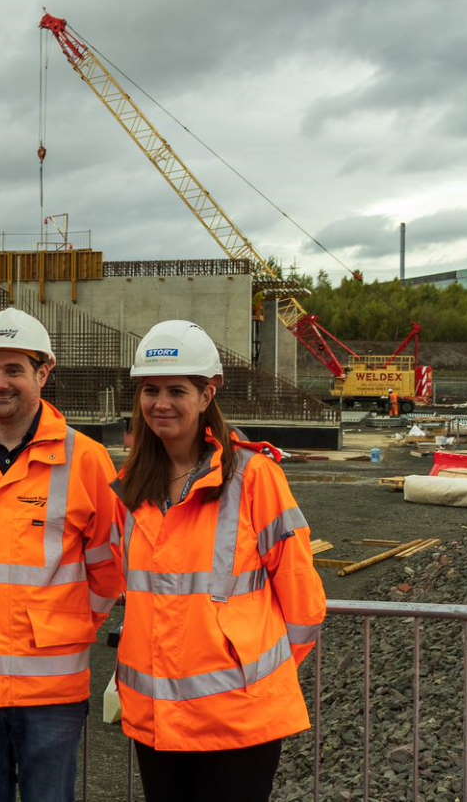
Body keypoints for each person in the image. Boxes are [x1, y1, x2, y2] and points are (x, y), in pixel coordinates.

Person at [112, 319, 326, 802]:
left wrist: (252, 674)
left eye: (176, 390)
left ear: (209, 394)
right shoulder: (131, 486)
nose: (160, 403)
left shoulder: (255, 478)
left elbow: (303, 600)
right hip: (156, 717)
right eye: (149, 390)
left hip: (237, 720)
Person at [0, 307, 123, 802]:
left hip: (50, 692)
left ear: (44, 372)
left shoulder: (87, 461)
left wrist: (66, 627)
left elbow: (109, 573)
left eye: (14, 369)